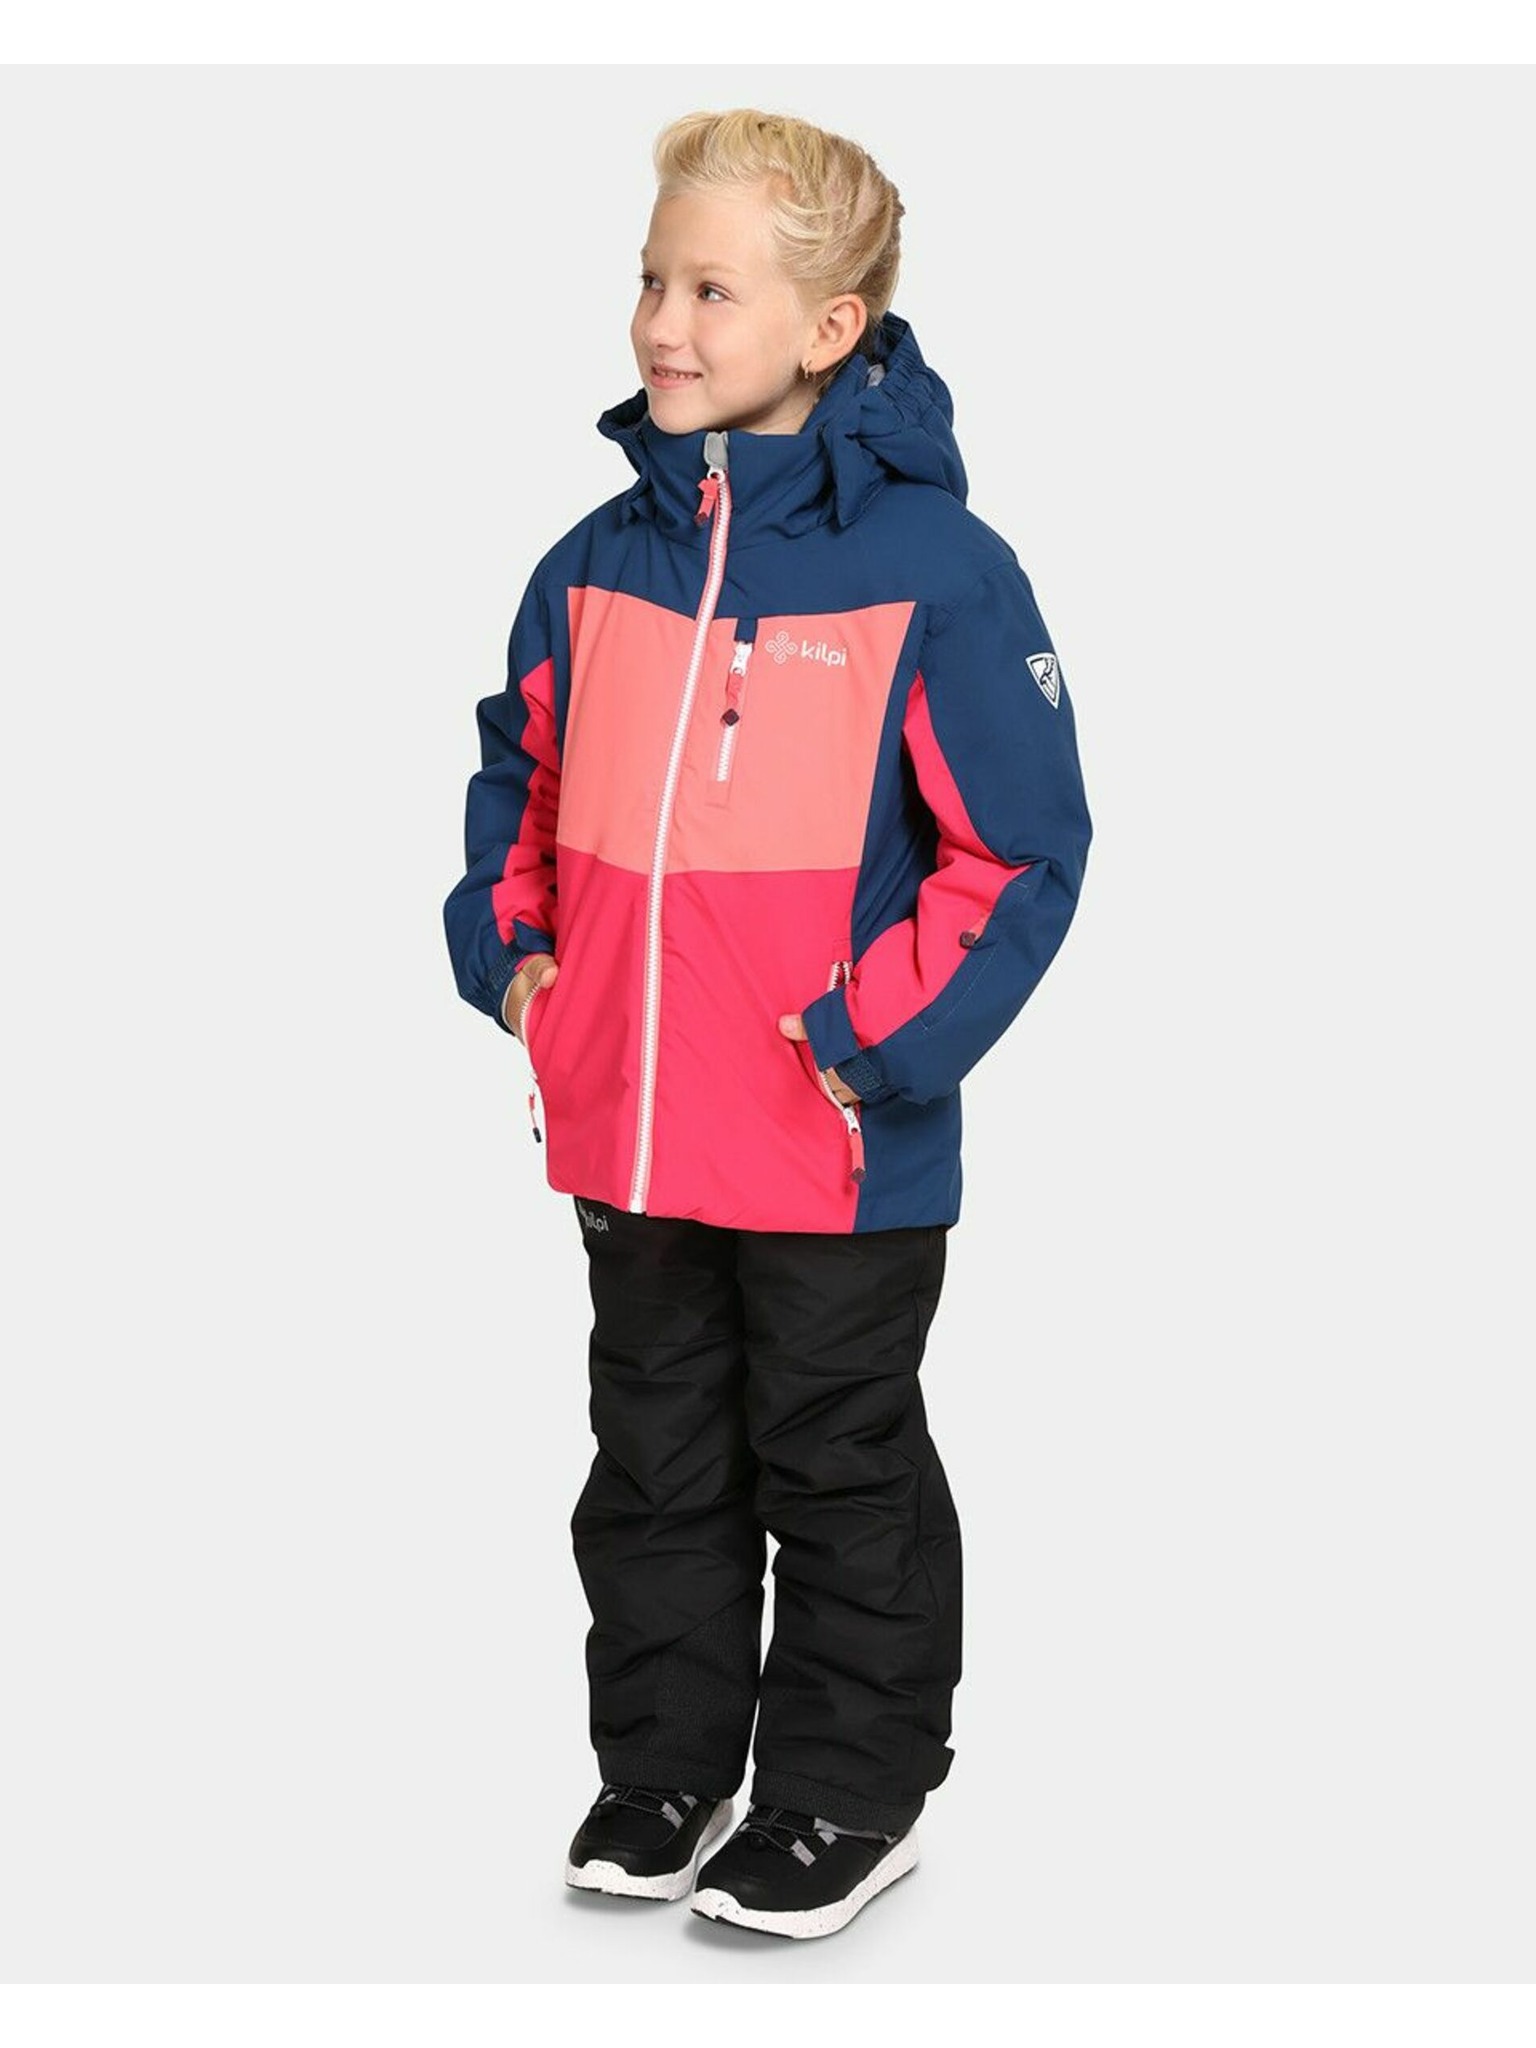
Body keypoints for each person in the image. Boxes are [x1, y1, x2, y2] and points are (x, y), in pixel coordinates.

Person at [442, 106, 1093, 1941]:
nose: (662, 322)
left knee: (838, 1460)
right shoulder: (594, 562)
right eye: (652, 279)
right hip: (635, 1129)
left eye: (711, 290)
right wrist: (525, 973)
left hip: (832, 1143)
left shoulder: (938, 571)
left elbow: (1020, 854)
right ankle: (665, 1768)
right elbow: (515, 788)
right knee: (653, 1457)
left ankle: (846, 1794)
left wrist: (866, 1042)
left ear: (829, 325)